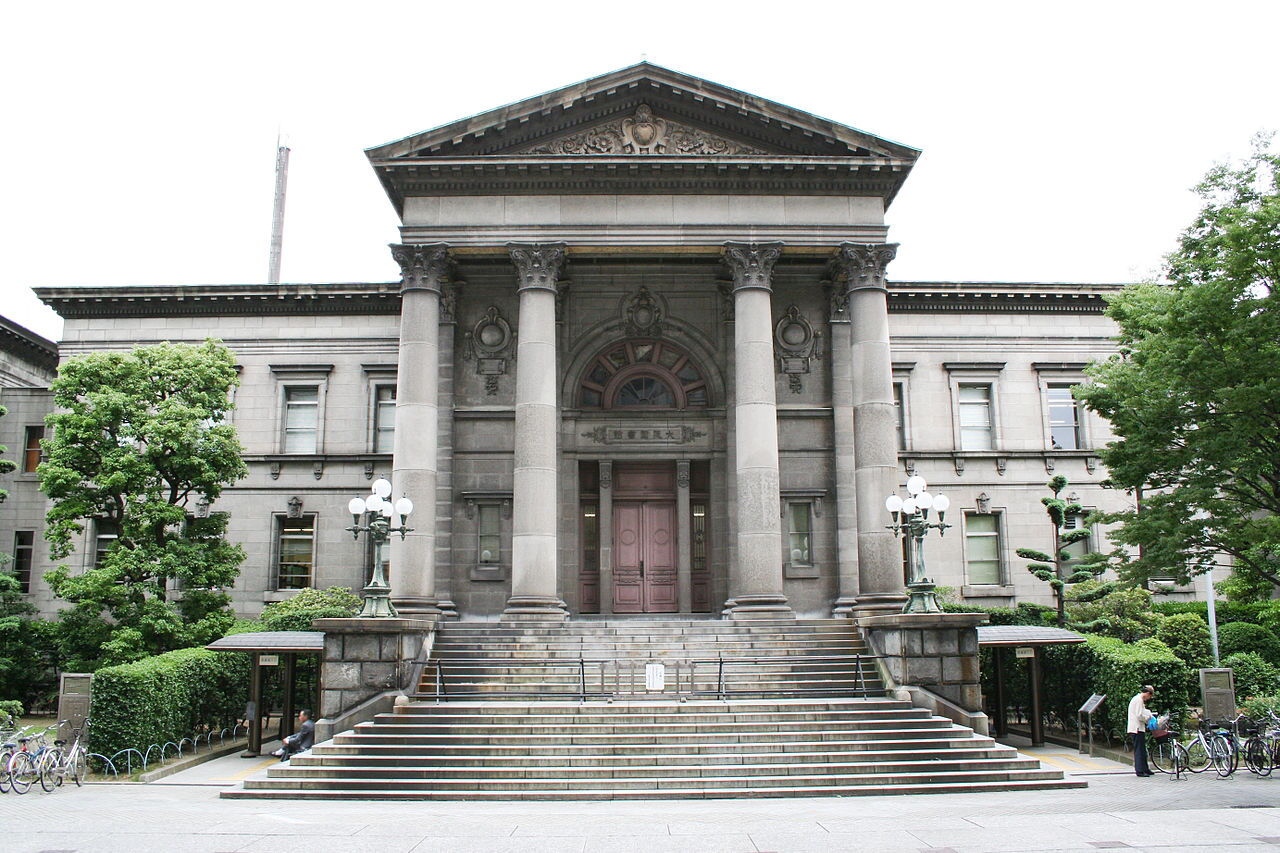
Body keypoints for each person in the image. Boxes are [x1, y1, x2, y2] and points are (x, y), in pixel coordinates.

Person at [1127, 685, 1155, 776]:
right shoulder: (1139, 700)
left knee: (1142, 749)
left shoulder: (1137, 699)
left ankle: (1145, 769)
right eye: (1150, 696)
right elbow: (1139, 715)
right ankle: (1140, 770)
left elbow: (1142, 711)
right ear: (1148, 693)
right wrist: (1147, 719)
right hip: (1137, 728)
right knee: (1139, 750)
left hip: (1137, 728)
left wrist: (1149, 714)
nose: (1149, 698)